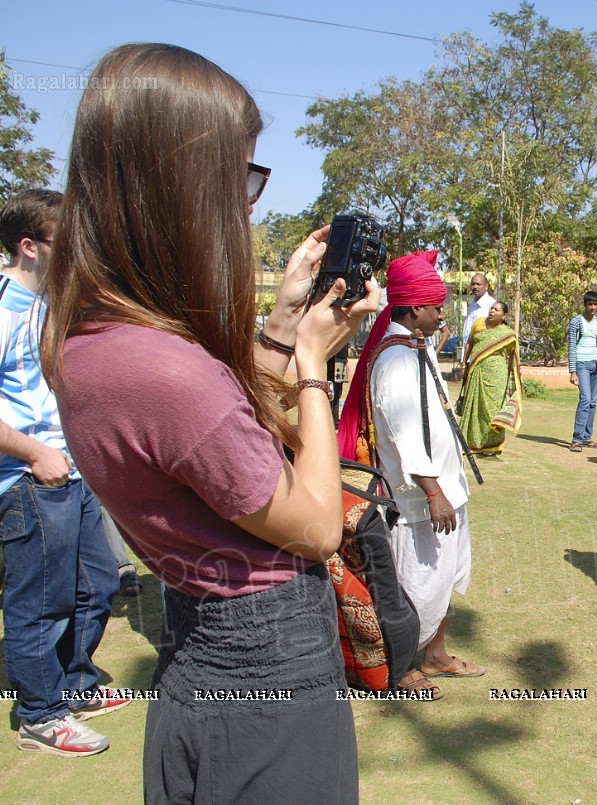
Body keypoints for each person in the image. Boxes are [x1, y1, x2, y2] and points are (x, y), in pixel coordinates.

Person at [41, 44, 370, 798]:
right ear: (181, 185)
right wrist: (314, 366)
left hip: (198, 650)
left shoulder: (92, 336)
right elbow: (318, 527)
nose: (247, 203)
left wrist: (285, 321)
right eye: (242, 177)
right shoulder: (165, 368)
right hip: (271, 671)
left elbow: (208, 422)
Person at [1, 189, 125, 757]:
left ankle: (72, 682)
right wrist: (32, 452)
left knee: (98, 585)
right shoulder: (2, 309)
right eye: (64, 241)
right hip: (30, 480)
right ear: (29, 247)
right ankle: (40, 716)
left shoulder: (51, 306)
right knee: (40, 602)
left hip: (71, 476)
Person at [338, 251, 483, 702]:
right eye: (436, 306)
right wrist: (433, 490)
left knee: (445, 578)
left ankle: (435, 655)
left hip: (445, 490)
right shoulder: (395, 359)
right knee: (418, 585)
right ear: (415, 308)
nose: (442, 314)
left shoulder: (414, 348)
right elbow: (403, 433)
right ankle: (399, 670)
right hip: (422, 498)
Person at [459, 301, 520, 456]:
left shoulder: (507, 333)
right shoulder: (479, 323)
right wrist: (464, 364)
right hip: (476, 369)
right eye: (491, 308)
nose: (492, 311)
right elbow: (470, 344)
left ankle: (492, 446)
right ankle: (471, 443)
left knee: (492, 408)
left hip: (496, 373)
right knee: (474, 406)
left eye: (496, 309)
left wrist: (512, 375)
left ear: (503, 315)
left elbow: (514, 355)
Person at [568, 290, 597, 452]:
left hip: (596, 364)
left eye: (595, 304)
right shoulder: (576, 321)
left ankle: (587, 437)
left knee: (592, 402)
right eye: (590, 304)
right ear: (584, 305)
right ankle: (576, 439)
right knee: (585, 399)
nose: (593, 307)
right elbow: (571, 345)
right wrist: (572, 371)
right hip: (581, 364)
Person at [461, 272, 496, 341]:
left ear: (486, 286)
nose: (475, 287)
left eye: (478, 284)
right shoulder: (473, 304)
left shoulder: (491, 304)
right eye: (473, 284)